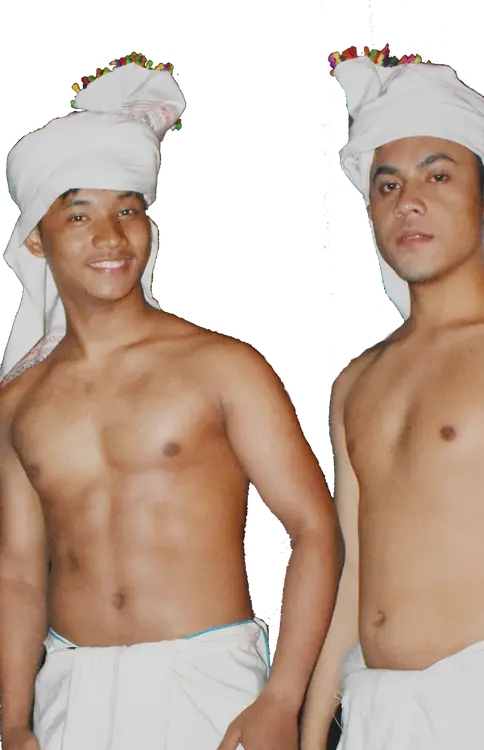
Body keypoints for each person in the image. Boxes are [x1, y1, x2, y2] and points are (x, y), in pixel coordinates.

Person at [0, 52, 342, 750]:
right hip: (73, 691)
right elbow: (18, 572)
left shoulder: (220, 366)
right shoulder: (18, 402)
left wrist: (283, 696)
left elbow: (313, 527)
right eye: (79, 215)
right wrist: (11, 718)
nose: (110, 236)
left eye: (127, 209)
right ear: (36, 237)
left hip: (207, 685)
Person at [301, 47, 484, 750]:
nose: (409, 201)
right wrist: (311, 731)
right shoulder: (359, 381)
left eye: (438, 175)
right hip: (377, 709)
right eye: (388, 184)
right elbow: (354, 576)